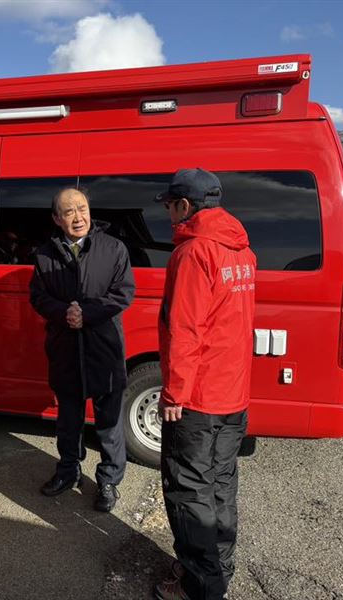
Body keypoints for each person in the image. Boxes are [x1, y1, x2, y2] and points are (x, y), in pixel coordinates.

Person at [152, 169, 257, 600]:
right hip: (232, 394)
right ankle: (219, 563)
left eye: (170, 205)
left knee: (188, 490)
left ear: (185, 206)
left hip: (197, 396)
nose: (168, 213)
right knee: (220, 484)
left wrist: (175, 392)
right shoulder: (243, 250)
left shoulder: (194, 252)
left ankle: (200, 585)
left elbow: (186, 329)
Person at [30, 187, 134, 512]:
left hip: (103, 347)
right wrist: (65, 313)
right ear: (57, 219)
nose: (78, 216)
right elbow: (38, 296)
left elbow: (122, 294)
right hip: (64, 349)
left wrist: (85, 313)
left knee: (108, 422)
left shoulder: (113, 248)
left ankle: (108, 481)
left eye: (82, 208)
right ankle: (67, 471)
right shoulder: (44, 254)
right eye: (69, 211)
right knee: (68, 419)